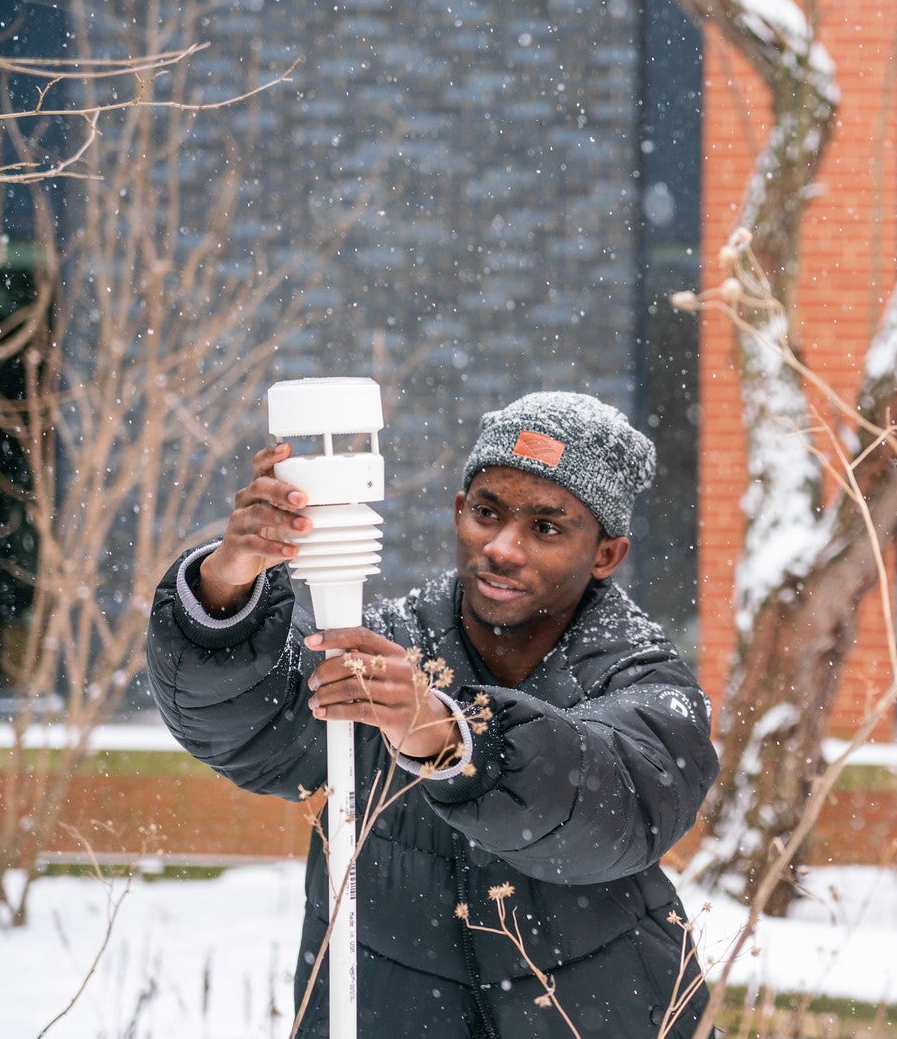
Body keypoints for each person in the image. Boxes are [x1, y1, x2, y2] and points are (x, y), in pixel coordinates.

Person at [146, 391, 720, 1038]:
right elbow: (252, 725)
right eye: (487, 512)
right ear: (458, 510)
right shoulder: (384, 647)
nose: (502, 547)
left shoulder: (644, 675)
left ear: (607, 554)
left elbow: (619, 808)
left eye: (546, 528)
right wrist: (228, 584)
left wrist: (451, 734)